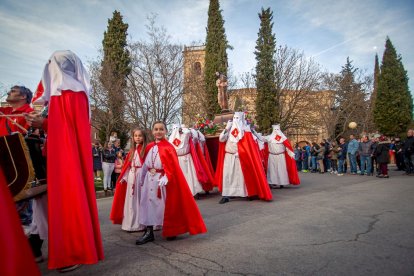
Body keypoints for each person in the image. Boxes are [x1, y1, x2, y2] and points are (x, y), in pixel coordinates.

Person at [25, 50, 104, 271]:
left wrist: (43, 123)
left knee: (68, 204)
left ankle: (73, 251)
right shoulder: (71, 93)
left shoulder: (69, 94)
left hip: (66, 159)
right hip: (63, 156)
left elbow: (67, 130)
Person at [136, 121, 207, 245]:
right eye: (156, 129)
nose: (158, 131)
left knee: (163, 206)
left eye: (161, 129)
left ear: (165, 131)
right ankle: (149, 232)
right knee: (148, 205)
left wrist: (167, 176)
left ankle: (171, 229)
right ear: (152, 131)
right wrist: (142, 178)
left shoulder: (169, 147)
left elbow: (173, 166)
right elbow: (145, 164)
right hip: (149, 180)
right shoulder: (149, 147)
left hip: (162, 181)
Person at [215, 112, 272, 203]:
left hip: (241, 157)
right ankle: (227, 195)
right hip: (229, 156)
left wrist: (241, 152)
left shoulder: (245, 131)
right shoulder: (229, 130)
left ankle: (245, 193)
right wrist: (226, 128)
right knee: (228, 176)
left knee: (241, 176)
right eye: (235, 118)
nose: (236, 120)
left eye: (238, 118)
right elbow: (221, 139)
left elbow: (250, 145)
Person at [110, 128, 151, 231]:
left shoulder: (145, 150)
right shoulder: (132, 151)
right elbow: (127, 166)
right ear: (133, 138)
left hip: (140, 177)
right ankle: (130, 223)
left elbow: (147, 165)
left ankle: (140, 224)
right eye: (135, 136)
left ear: (144, 137)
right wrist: (124, 177)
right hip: (132, 177)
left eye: (140, 136)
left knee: (139, 200)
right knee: (131, 201)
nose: (137, 138)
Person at [168, 124, 206, 197]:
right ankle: (183, 193)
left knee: (191, 175)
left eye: (178, 129)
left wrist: (182, 129)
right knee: (182, 177)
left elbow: (191, 133)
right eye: (175, 129)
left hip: (187, 158)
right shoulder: (171, 139)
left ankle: (194, 191)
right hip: (178, 160)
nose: (176, 131)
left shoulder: (185, 135)